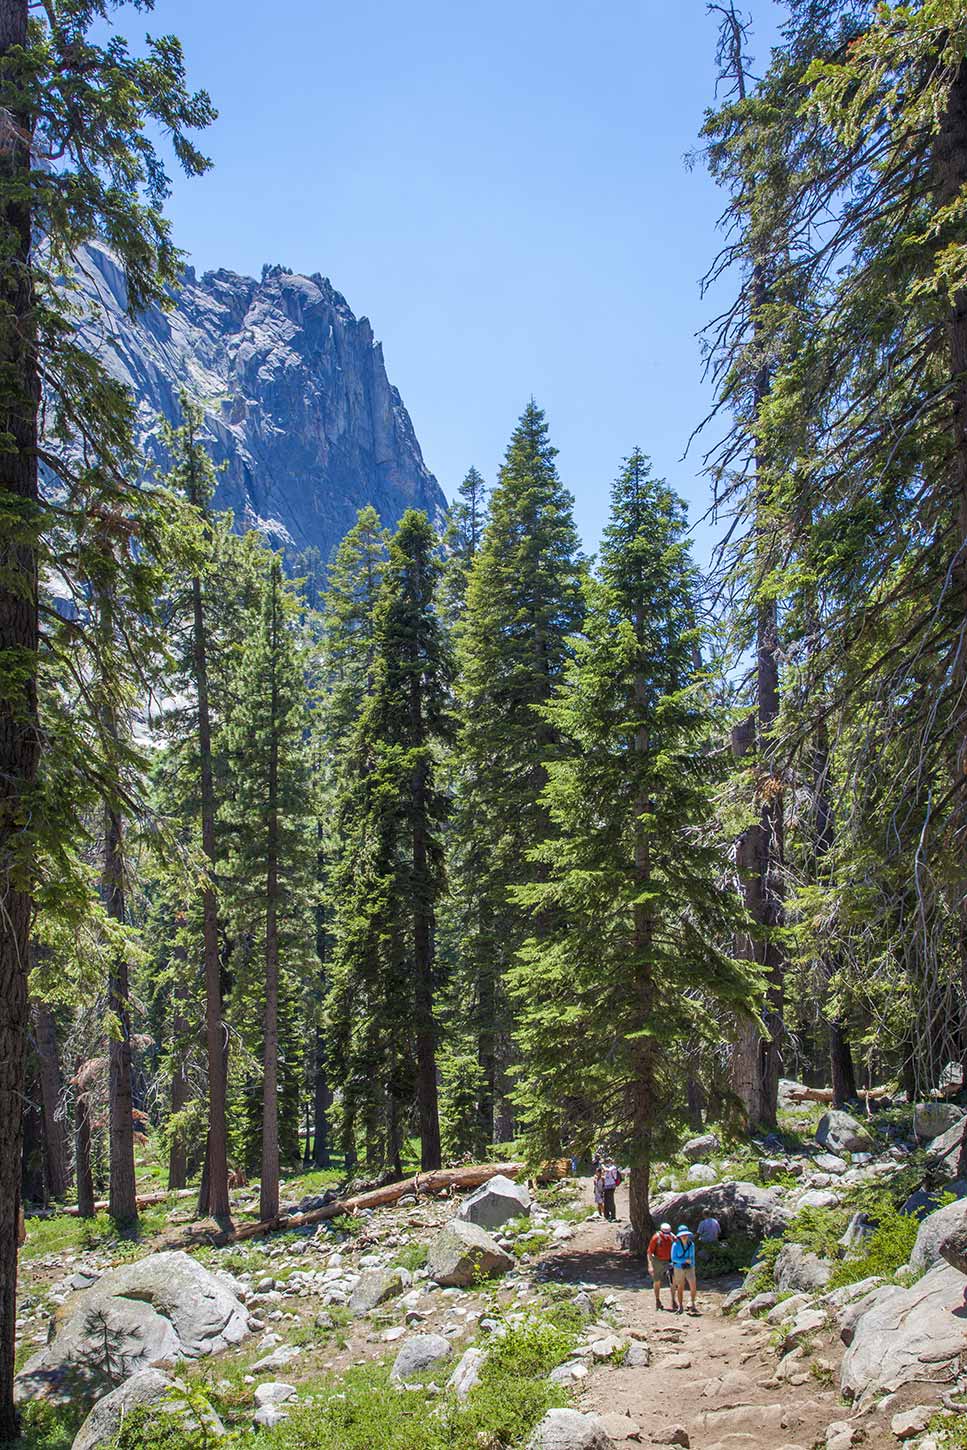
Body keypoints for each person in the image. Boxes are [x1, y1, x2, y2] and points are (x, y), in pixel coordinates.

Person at [646, 1221, 676, 1310]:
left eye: (668, 1232)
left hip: (669, 1260)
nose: (667, 1234)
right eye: (665, 1233)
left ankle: (673, 1300)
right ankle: (657, 1300)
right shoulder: (656, 1238)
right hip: (657, 1261)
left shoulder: (672, 1237)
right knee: (657, 1281)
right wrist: (650, 1265)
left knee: (673, 1281)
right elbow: (649, 1252)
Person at [671, 1223, 698, 1315]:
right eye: (682, 1235)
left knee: (693, 1285)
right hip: (678, 1268)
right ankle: (680, 1306)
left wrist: (691, 1263)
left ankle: (693, 1303)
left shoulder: (691, 1244)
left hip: (690, 1267)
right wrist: (684, 1260)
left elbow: (692, 1257)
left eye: (685, 1235)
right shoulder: (675, 1245)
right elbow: (673, 1258)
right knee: (680, 1287)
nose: (684, 1236)